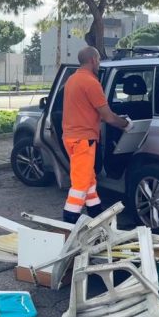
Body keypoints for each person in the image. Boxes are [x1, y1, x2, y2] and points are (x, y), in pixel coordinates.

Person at [61, 46, 133, 224]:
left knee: (88, 179)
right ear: (93, 60)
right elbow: (108, 117)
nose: (99, 63)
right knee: (80, 184)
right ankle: (69, 222)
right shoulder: (91, 83)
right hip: (83, 140)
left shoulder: (72, 79)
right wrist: (126, 124)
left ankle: (96, 214)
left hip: (70, 137)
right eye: (99, 60)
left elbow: (84, 109)